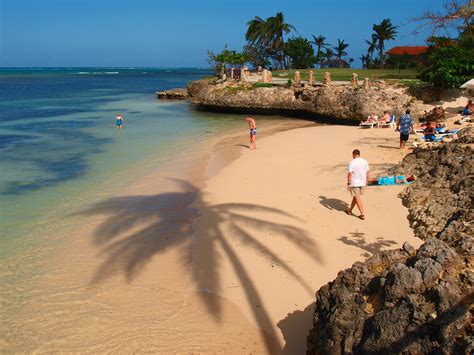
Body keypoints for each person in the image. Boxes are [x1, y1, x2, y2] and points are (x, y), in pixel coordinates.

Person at [345, 149, 369, 220]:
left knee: (357, 197)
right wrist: (367, 181)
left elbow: (350, 174)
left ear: (353, 154)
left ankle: (362, 214)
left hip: (355, 182)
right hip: (363, 182)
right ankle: (349, 210)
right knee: (355, 197)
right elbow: (367, 172)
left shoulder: (352, 162)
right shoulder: (365, 161)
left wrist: (348, 183)